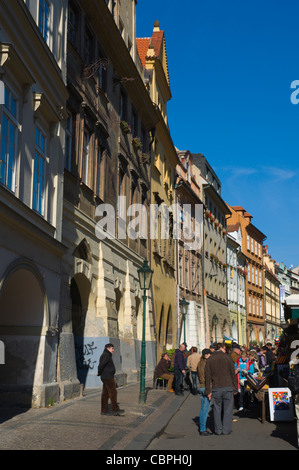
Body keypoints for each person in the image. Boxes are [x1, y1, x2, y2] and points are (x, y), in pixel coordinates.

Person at [205, 342, 238, 435]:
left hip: (217, 387)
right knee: (228, 409)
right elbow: (233, 374)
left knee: (217, 409)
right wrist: (235, 388)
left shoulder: (210, 359)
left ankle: (218, 430)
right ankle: (226, 429)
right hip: (228, 386)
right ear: (222, 348)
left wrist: (208, 391)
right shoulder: (228, 358)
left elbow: (207, 376)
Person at [97, 343, 124, 416]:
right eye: (112, 348)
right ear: (108, 348)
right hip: (108, 377)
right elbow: (101, 365)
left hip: (106, 376)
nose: (113, 350)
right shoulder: (106, 355)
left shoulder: (107, 355)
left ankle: (104, 410)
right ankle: (115, 409)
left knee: (105, 394)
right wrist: (99, 373)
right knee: (113, 392)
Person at [198, 348, 212, 436]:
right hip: (206, 387)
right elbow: (208, 378)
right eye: (210, 354)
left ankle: (201, 427)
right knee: (205, 409)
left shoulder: (200, 363)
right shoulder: (206, 363)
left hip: (201, 386)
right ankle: (203, 429)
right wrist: (209, 391)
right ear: (206, 355)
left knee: (202, 408)